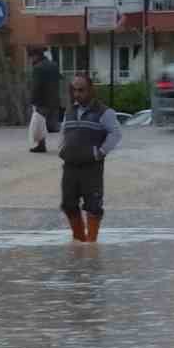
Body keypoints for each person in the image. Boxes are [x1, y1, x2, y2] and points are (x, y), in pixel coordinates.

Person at [57, 73, 121, 243]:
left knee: (93, 206)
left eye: (81, 90)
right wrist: (62, 149)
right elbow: (64, 132)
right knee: (68, 204)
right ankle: (79, 241)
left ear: (91, 90)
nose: (77, 94)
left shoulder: (104, 112)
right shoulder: (69, 110)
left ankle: (91, 244)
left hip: (91, 167)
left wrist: (100, 152)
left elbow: (116, 134)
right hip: (69, 165)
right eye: (74, 90)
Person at [28, 49, 61, 153]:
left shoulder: (38, 68)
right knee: (53, 125)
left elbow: (36, 86)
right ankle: (65, 144)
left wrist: (33, 100)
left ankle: (41, 145)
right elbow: (60, 79)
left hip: (42, 101)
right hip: (54, 99)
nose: (30, 60)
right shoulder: (54, 65)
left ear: (36, 56)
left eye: (31, 57)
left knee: (39, 124)